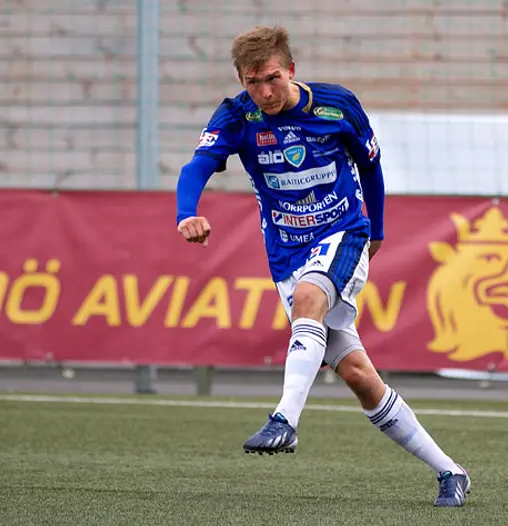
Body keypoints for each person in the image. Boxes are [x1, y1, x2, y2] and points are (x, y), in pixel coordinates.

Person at [174, 25, 470, 507]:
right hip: (286, 253)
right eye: (252, 82)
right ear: (241, 80)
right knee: (357, 374)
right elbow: (197, 166)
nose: (264, 92)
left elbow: (371, 167)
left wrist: (376, 232)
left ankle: (284, 420)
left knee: (310, 297)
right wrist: (187, 212)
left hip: (343, 234)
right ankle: (450, 471)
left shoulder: (337, 106)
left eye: (271, 78)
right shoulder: (236, 116)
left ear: (291, 70)